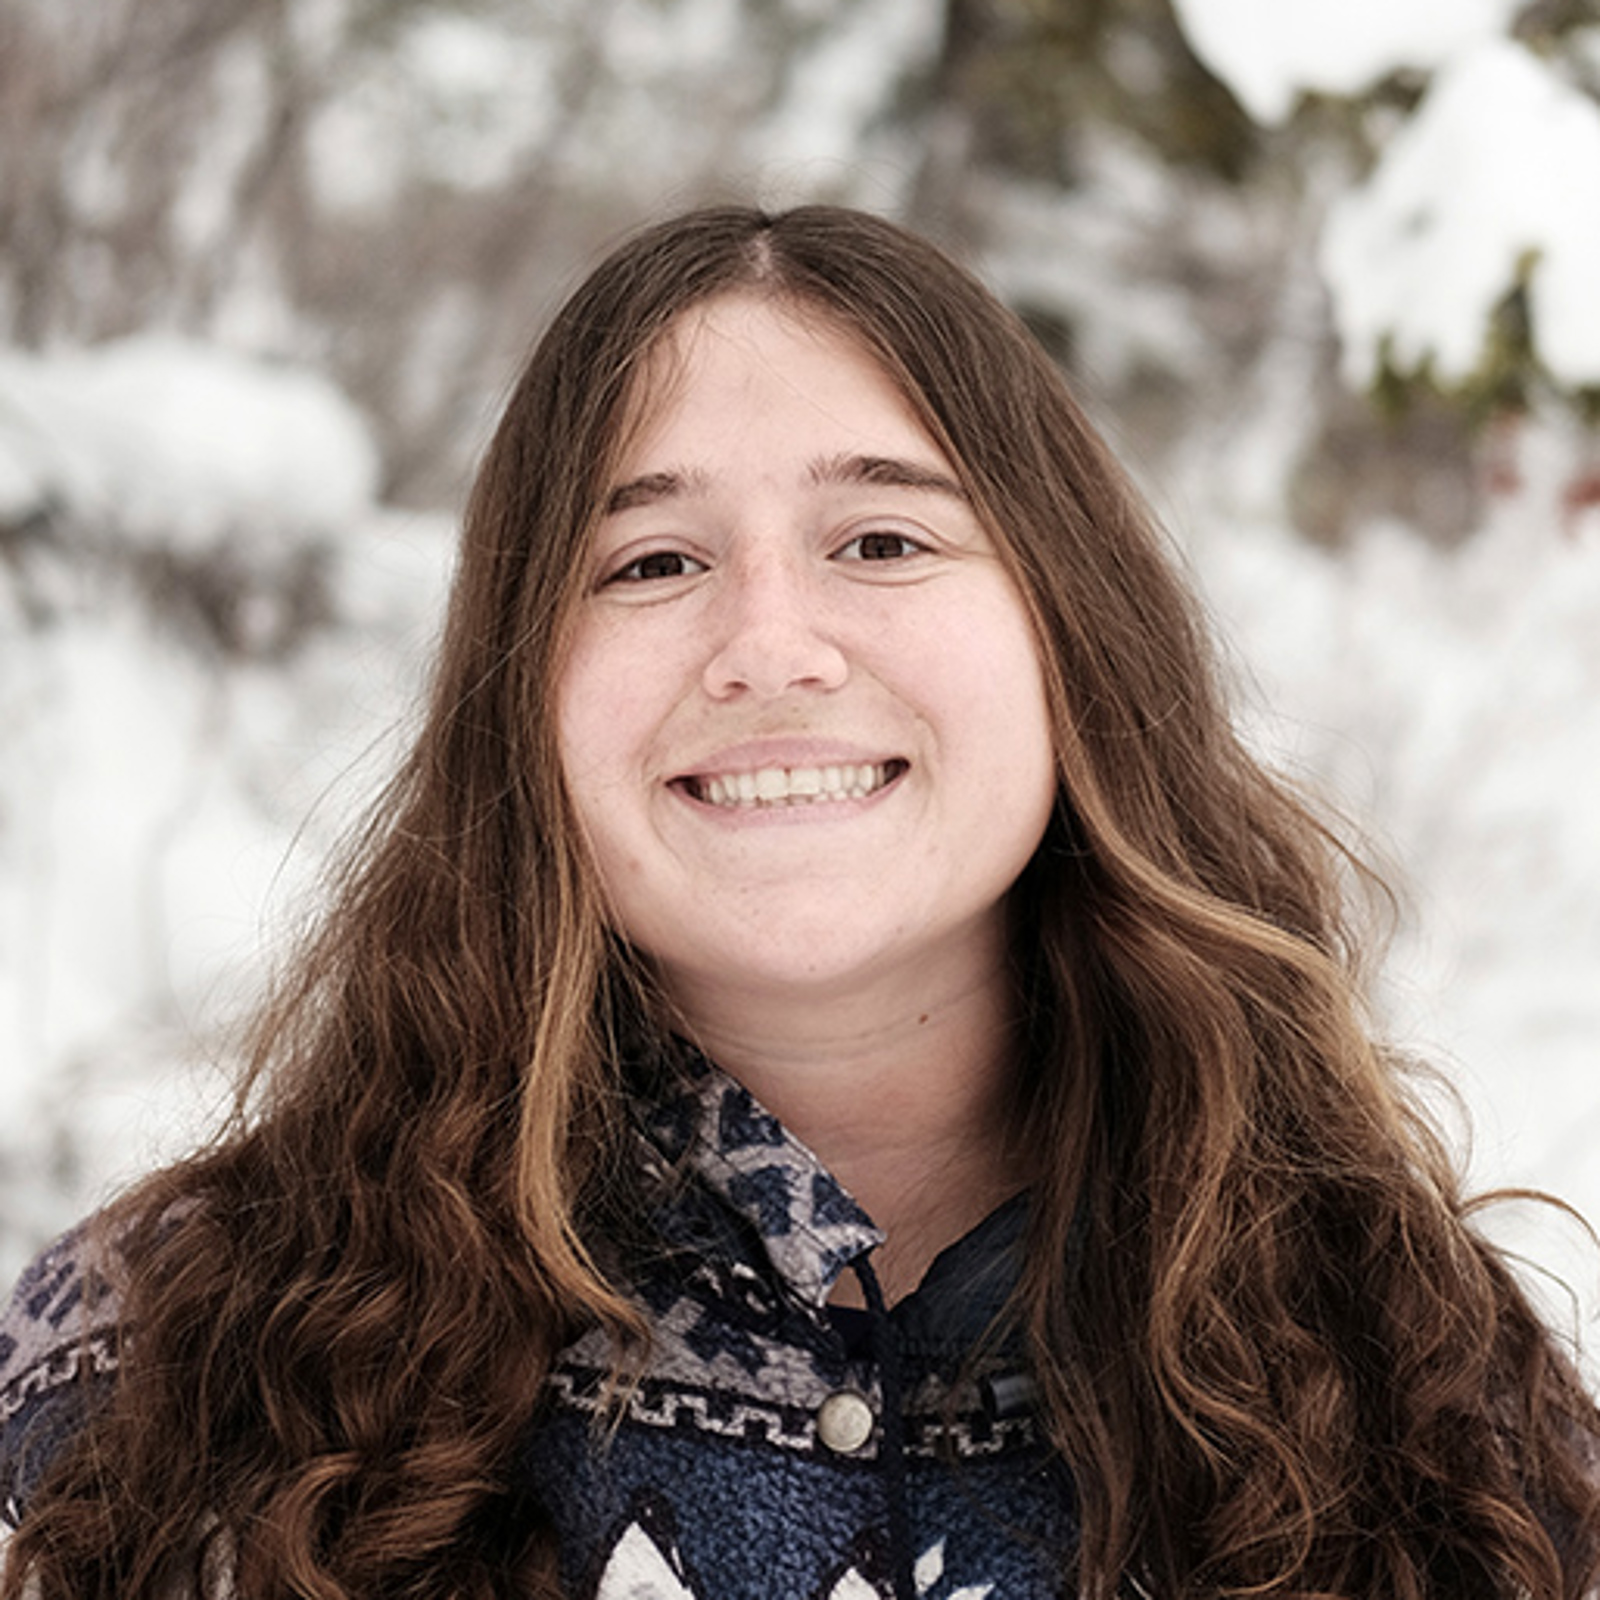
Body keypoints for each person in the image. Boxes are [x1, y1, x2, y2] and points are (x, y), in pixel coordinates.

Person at [1, 204, 1596, 1600]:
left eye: (882, 538)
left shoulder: (1418, 1381)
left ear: (1072, 640)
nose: (771, 643)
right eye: (650, 563)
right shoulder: (165, 1358)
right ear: (517, 699)